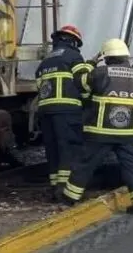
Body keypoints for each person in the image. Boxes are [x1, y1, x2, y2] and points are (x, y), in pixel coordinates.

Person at [60, 38, 133, 214]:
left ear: (107, 58)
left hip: (100, 132)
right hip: (129, 133)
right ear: (126, 57)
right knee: (132, 167)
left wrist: (91, 63)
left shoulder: (100, 73)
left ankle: (69, 197)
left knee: (86, 164)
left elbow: (79, 82)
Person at [35, 25, 94, 199]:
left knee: (52, 149)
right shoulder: (74, 56)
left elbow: (39, 85)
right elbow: (83, 82)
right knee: (68, 147)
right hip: (67, 111)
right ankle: (65, 189)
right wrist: (87, 100)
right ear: (74, 41)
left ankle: (55, 186)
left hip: (46, 111)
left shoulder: (45, 61)